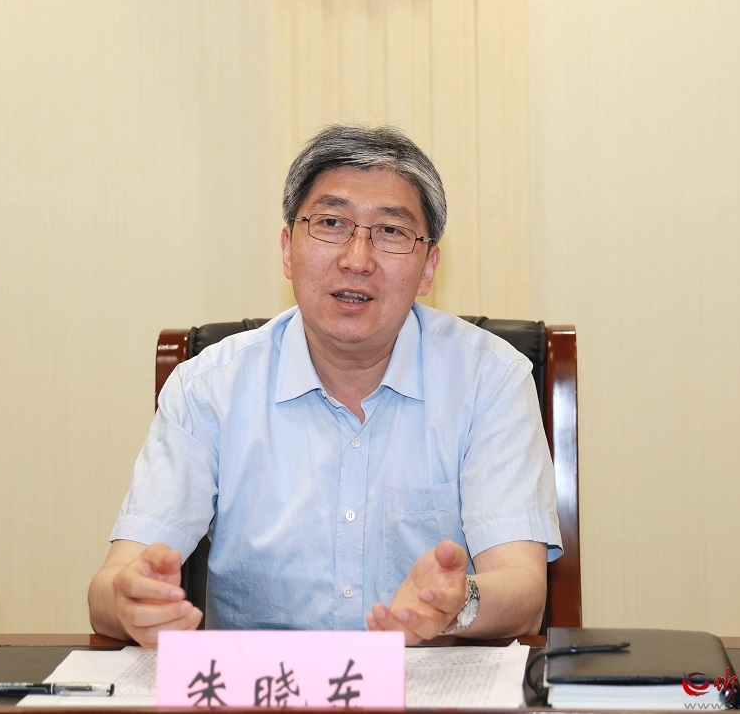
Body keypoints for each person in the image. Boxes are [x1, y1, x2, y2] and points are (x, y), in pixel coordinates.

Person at [88, 124, 562, 647]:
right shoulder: (209, 389)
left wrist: (455, 602)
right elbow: (112, 587)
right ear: (287, 249)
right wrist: (129, 603)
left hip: (425, 686)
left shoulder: (490, 379)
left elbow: (523, 592)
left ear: (429, 267)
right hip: (267, 689)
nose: (357, 260)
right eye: (331, 223)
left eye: (390, 231)